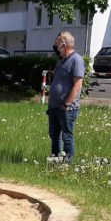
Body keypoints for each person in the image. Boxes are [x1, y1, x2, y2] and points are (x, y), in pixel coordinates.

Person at [47, 31, 85, 164]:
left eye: (56, 44)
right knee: (54, 135)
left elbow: (78, 85)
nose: (55, 47)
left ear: (64, 45)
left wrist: (67, 103)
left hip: (67, 109)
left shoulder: (77, 60)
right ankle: (55, 160)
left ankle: (67, 164)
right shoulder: (61, 61)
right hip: (54, 107)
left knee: (67, 137)